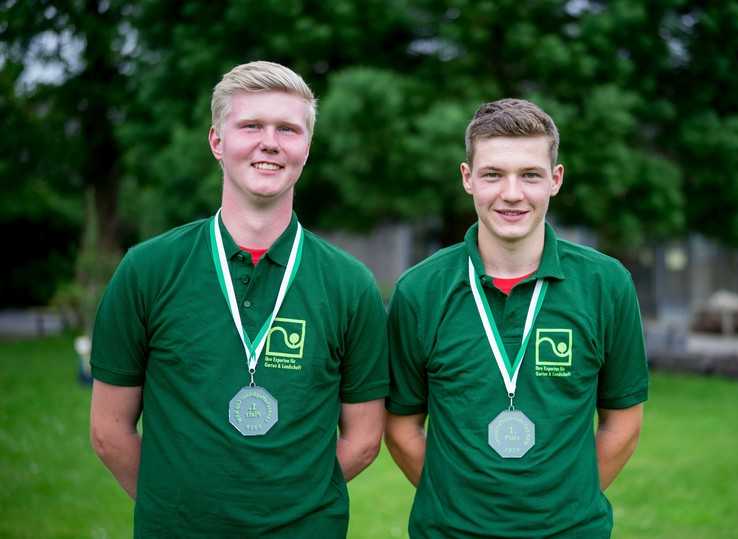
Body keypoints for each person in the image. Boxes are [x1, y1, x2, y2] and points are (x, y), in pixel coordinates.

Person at [89, 61, 388, 538]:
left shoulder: (350, 284)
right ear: (217, 141)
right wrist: (178, 508)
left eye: (288, 129)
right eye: (251, 126)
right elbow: (109, 431)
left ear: (307, 147)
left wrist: (289, 506)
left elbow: (365, 438)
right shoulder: (147, 270)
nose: (270, 142)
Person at [385, 98, 648, 538]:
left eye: (530, 175)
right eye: (493, 174)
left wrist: (564, 504)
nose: (511, 193)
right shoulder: (420, 290)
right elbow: (400, 426)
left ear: (555, 179)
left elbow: (623, 421)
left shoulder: (606, 284)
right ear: (467, 178)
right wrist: (457, 504)